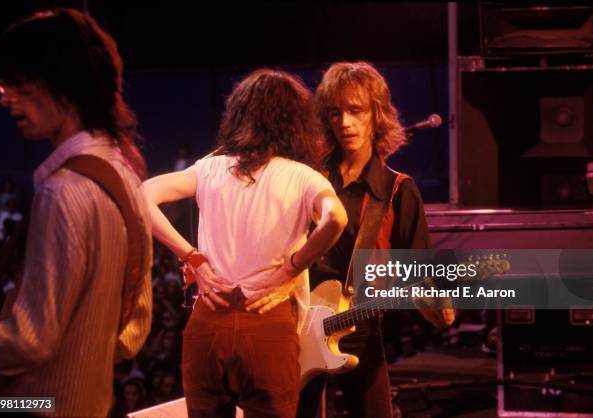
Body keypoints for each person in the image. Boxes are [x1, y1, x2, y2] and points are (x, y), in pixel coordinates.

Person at [144, 68, 348, 418]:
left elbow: (142, 195)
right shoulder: (303, 177)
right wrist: (291, 267)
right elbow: (336, 219)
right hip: (268, 322)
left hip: (208, 323)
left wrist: (195, 260)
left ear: (238, 116)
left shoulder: (209, 169)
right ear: (296, 122)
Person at [0, 9, 152, 417]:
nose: (5, 96)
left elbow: (30, 337)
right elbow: (133, 331)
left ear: (63, 82)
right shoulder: (126, 176)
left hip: (36, 404)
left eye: (17, 83)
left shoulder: (63, 192)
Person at [297, 62, 454, 418]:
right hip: (297, 323)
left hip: (360, 325)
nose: (344, 124)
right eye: (335, 113)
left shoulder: (398, 190)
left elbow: (419, 271)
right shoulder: (308, 177)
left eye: (356, 111)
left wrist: (435, 300)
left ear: (377, 115)